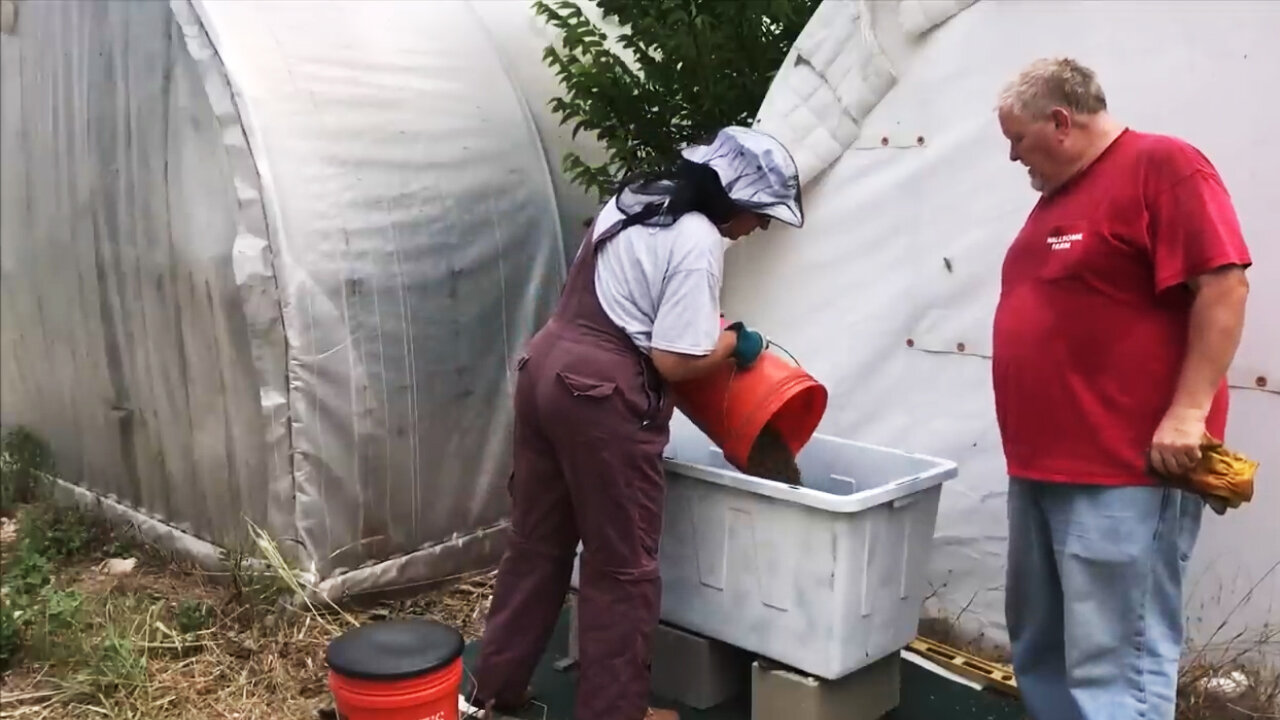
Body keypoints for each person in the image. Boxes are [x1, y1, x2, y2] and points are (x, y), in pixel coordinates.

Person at [470, 126, 804, 720]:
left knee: (537, 544)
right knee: (622, 568)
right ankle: (616, 712)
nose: (760, 229)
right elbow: (672, 360)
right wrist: (734, 344)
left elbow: (625, 300)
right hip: (599, 399)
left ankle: (496, 690)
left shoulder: (636, 201)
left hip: (544, 368)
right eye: (761, 216)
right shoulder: (699, 237)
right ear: (736, 200)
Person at [991, 58, 1252, 720]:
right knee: (1042, 648)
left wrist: (1189, 413)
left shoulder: (1162, 167)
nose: (1013, 157)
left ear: (1060, 121)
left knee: (1117, 662)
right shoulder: (1057, 199)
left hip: (1123, 472)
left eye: (1017, 139)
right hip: (1041, 467)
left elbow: (1223, 287)